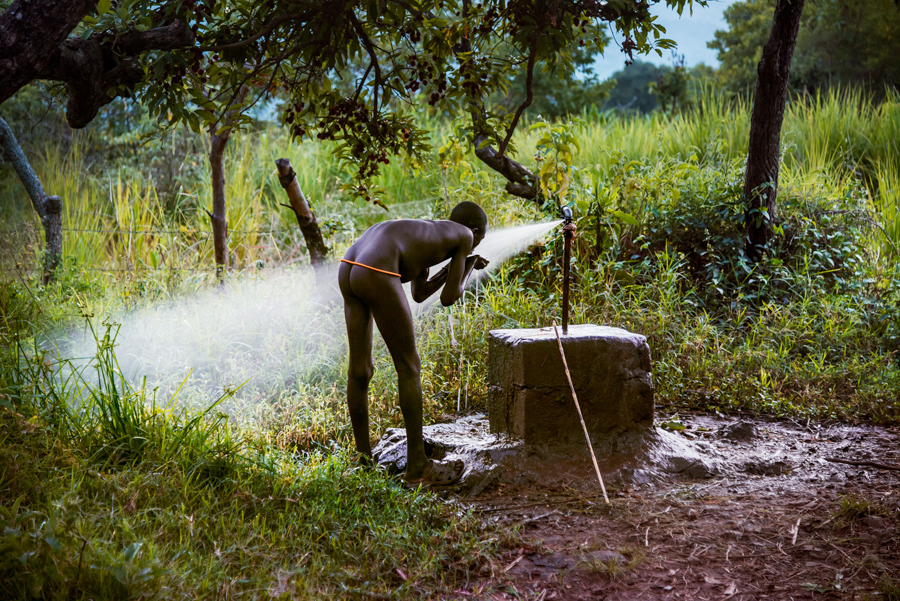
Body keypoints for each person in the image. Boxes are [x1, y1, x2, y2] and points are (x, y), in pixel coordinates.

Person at [338, 201, 489, 486]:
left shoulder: (428, 235)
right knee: (409, 367)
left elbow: (420, 294)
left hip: (349, 266)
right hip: (375, 268)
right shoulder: (465, 236)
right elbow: (449, 297)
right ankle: (418, 466)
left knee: (360, 370)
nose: (473, 245)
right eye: (478, 240)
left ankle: (362, 462)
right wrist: (469, 266)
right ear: (476, 231)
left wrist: (458, 267)